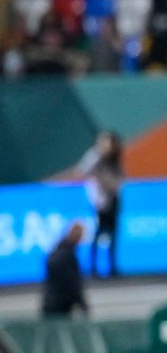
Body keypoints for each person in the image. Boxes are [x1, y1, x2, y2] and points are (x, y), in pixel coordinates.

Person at [76, 130, 122, 277]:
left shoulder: (115, 158)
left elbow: (120, 177)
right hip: (100, 200)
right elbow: (83, 170)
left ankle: (112, 266)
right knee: (98, 232)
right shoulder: (95, 156)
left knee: (113, 233)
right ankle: (93, 267)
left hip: (113, 196)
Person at [40, 221, 88, 318]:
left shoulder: (56, 251)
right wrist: (82, 303)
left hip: (50, 300)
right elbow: (72, 282)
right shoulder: (68, 256)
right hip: (61, 304)